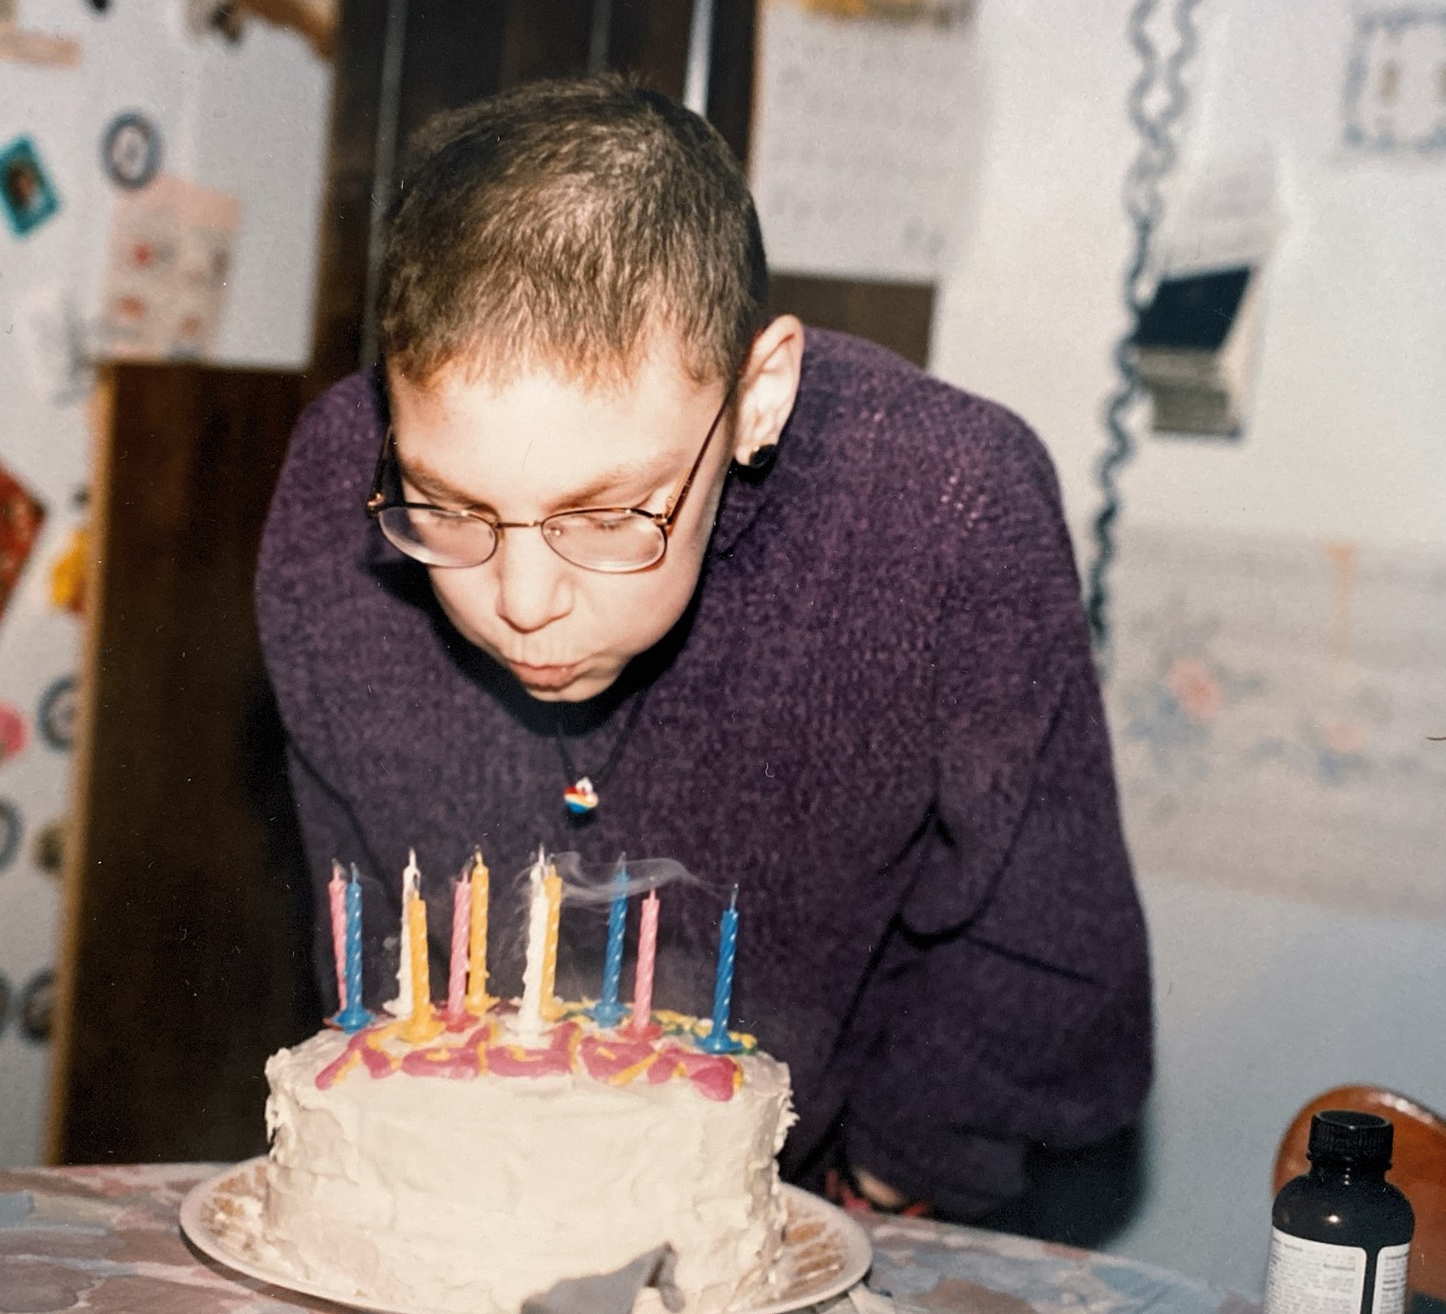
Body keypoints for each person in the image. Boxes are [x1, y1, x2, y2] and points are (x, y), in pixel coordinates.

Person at [255, 74, 1150, 1219]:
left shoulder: (946, 510)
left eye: (603, 515)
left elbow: (1045, 953)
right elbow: (374, 942)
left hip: (831, 1192)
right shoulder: (336, 493)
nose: (520, 603)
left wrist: (882, 1183)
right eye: (452, 507)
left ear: (758, 393)